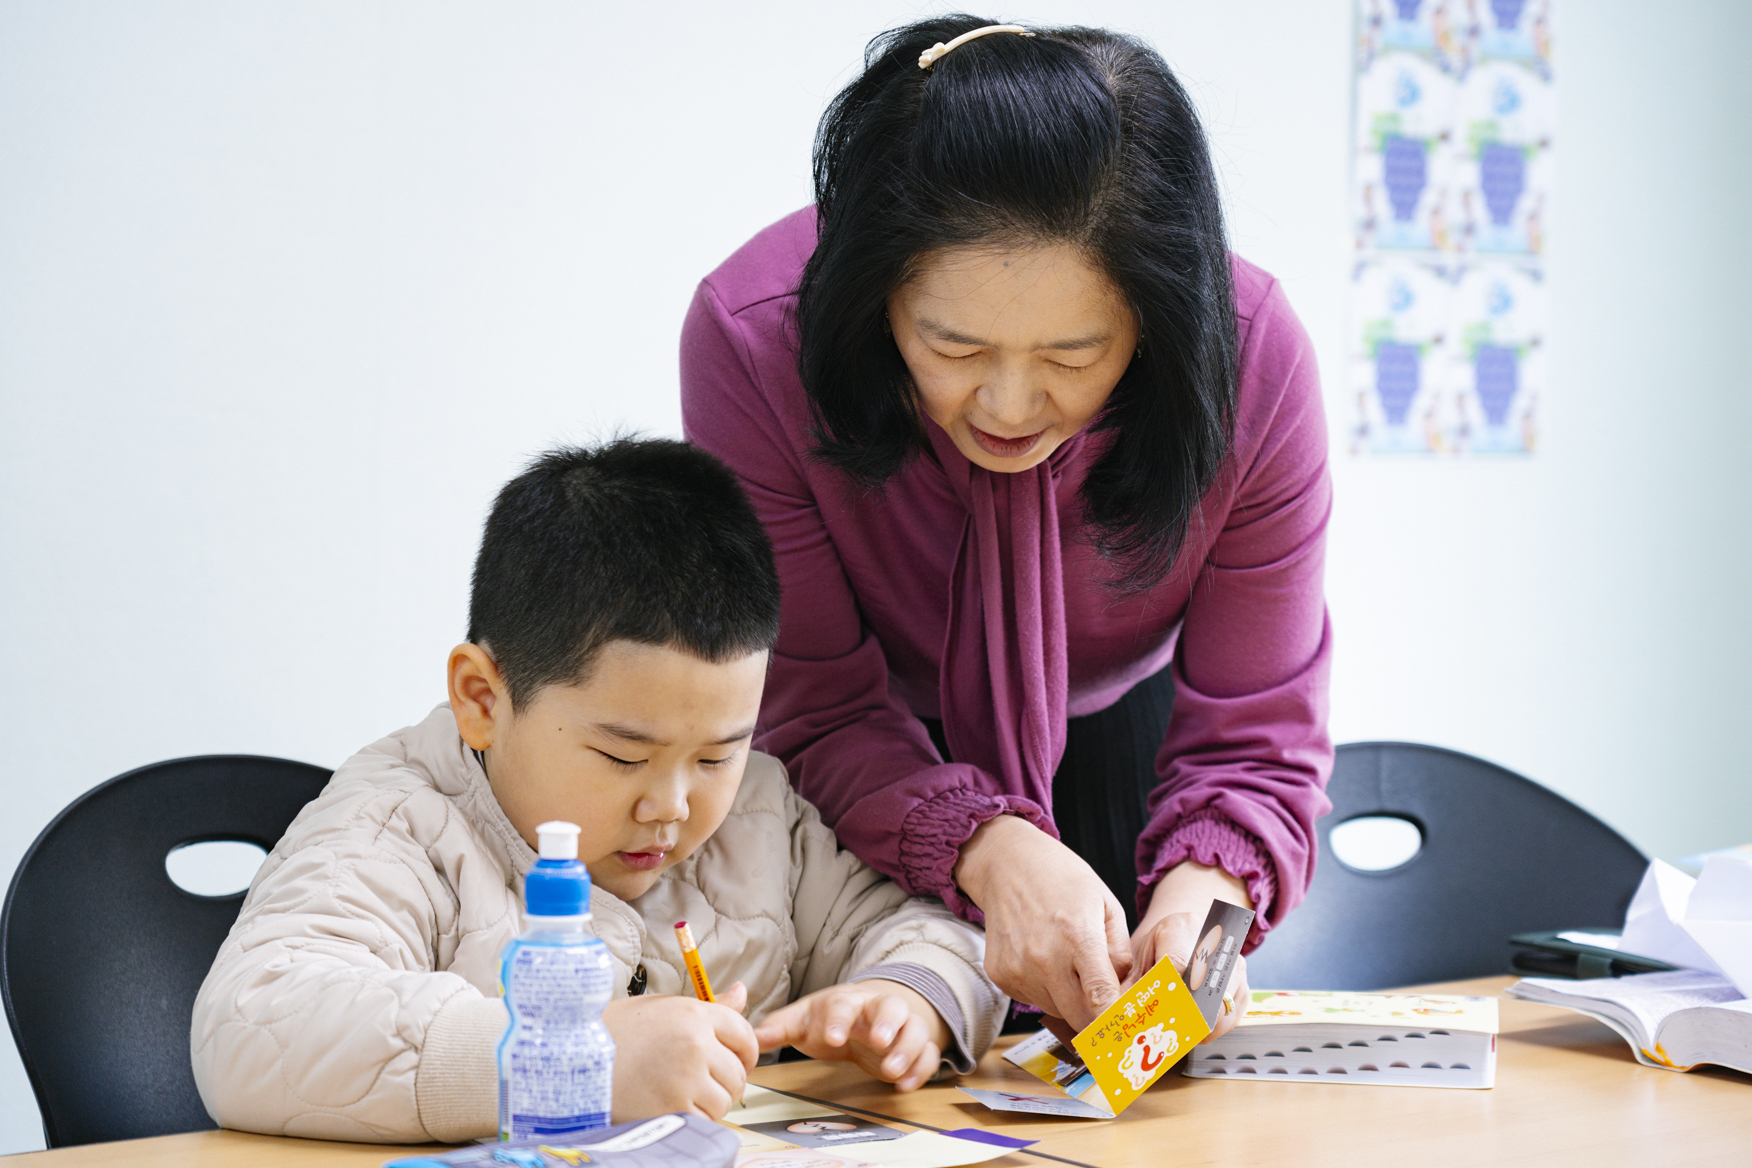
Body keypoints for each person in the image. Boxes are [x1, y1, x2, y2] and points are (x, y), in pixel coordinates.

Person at [681, 16, 1333, 1037]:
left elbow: (1258, 728)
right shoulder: (756, 341)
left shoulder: (1251, 363)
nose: (1010, 406)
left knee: (1131, 1064)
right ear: (877, 297)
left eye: (1075, 356)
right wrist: (987, 847)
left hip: (1121, 737)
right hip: (851, 765)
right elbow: (812, 699)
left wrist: (1207, 896)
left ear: (1153, 317)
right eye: (953, 347)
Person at [190, 439, 1005, 1143]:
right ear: (482, 700)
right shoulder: (396, 826)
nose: (673, 805)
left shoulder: (758, 818)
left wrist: (906, 997)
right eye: (623, 756)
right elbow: (253, 1028)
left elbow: (942, 930)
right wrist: (570, 1061)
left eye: (716, 756)